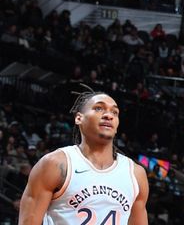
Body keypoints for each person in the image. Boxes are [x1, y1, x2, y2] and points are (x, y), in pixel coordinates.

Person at [17, 88, 149, 224]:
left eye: (114, 112)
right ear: (79, 118)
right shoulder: (55, 164)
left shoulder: (136, 174)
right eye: (99, 108)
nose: (109, 115)